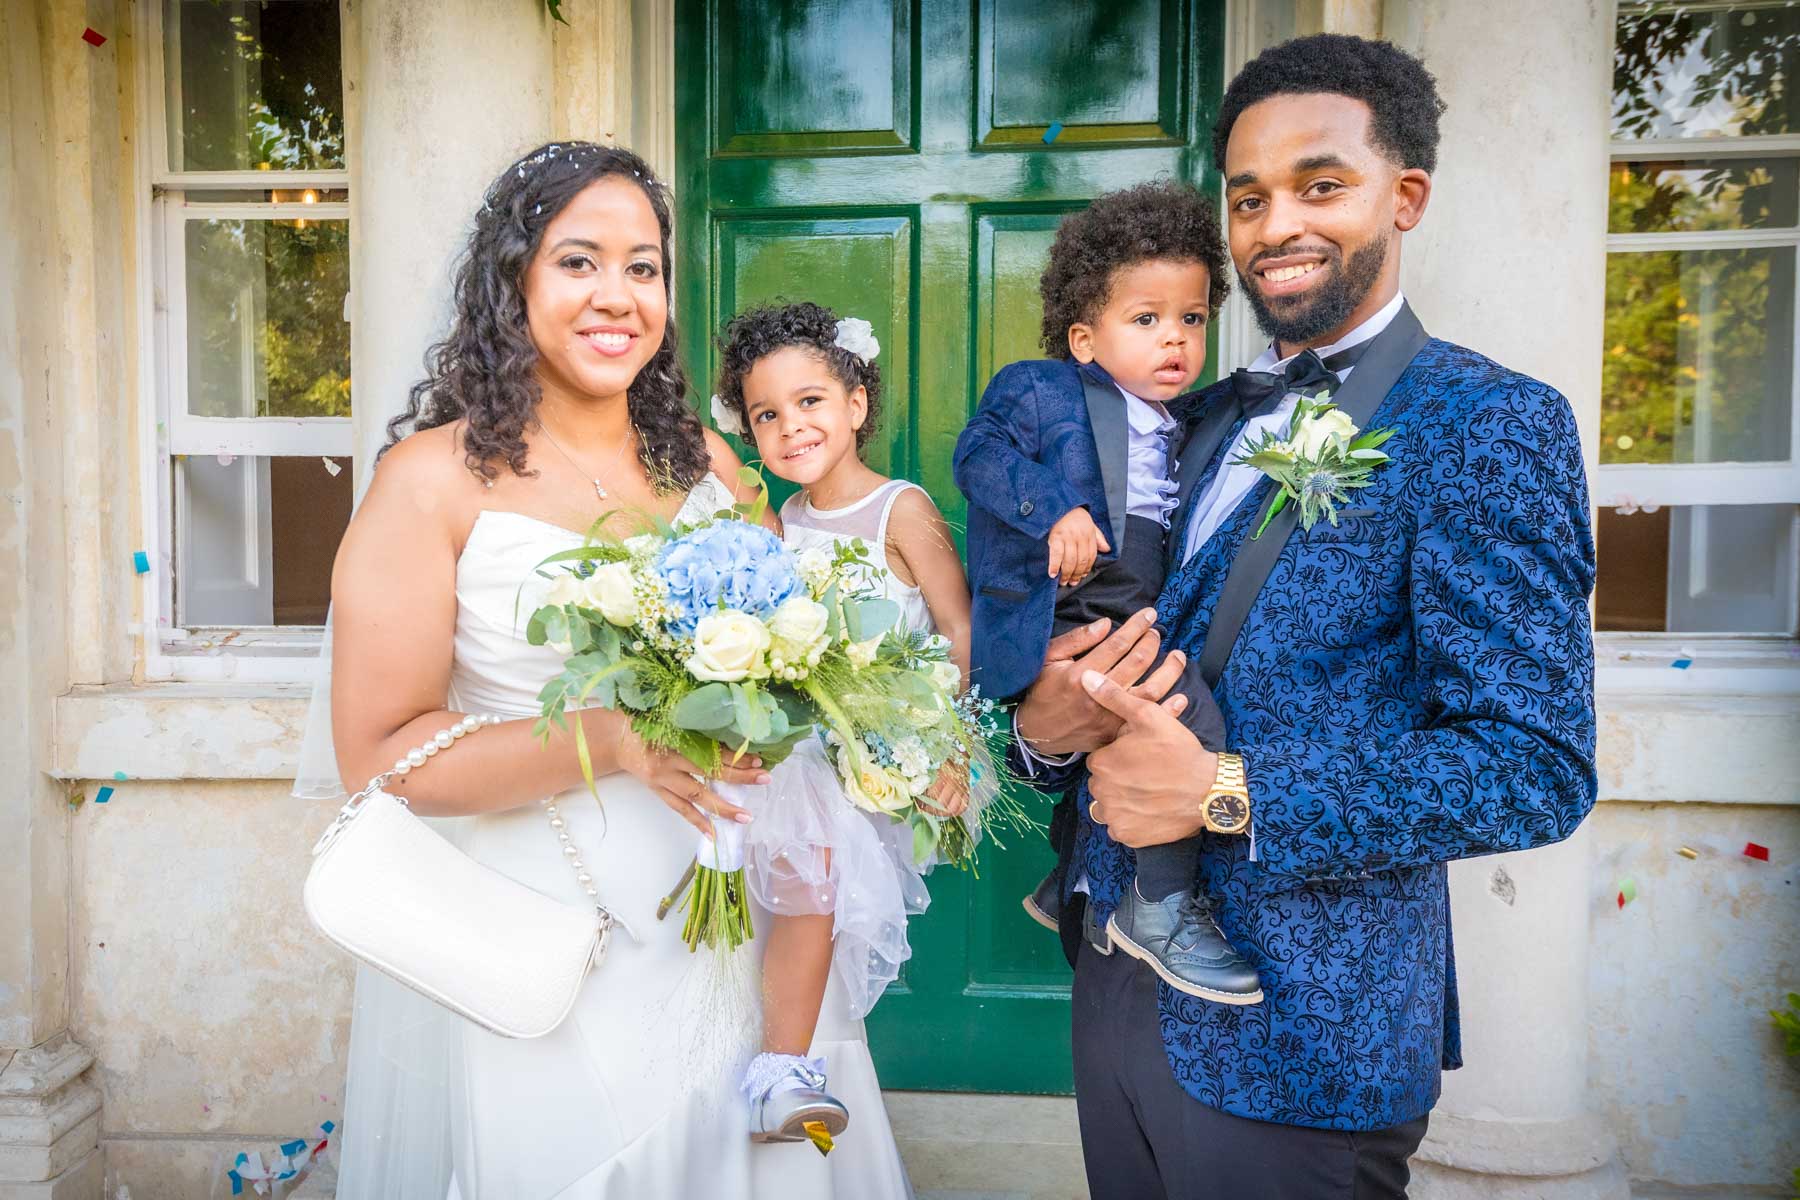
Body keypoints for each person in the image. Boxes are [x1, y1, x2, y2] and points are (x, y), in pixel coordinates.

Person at [1004, 35, 1598, 1199]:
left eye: (1320, 186)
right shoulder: (1187, 411)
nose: (1278, 224)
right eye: (1249, 197)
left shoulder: (1492, 424)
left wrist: (1225, 791)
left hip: (1303, 1042)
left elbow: (1535, 763)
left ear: (1404, 195)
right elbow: (1110, 640)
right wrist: (1046, 727)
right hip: (1114, 985)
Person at [317, 141, 906, 1199]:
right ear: (515, 282)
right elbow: (379, 756)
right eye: (578, 261)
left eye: (644, 267)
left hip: (740, 916)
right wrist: (615, 740)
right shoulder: (427, 483)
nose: (618, 296)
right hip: (560, 944)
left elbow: (791, 653)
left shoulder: (714, 463)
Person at [953, 182, 1262, 1006]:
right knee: (1187, 718)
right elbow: (977, 455)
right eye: (1147, 319)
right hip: (1073, 604)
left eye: (1191, 320)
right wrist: (1052, 508)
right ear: (1085, 339)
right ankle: (1159, 904)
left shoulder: (1186, 416)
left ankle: (1069, 879)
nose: (1175, 340)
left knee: (1114, 740)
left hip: (1135, 600)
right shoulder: (1041, 389)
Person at [709, 301, 969, 1173]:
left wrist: (957, 749)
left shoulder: (902, 511)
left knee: (816, 876)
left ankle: (783, 1072)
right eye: (767, 415)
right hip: (795, 751)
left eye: (811, 401)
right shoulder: (779, 522)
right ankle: (762, 1066)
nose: (791, 428)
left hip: (872, 754)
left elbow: (959, 633)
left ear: (858, 402)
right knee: (771, 903)